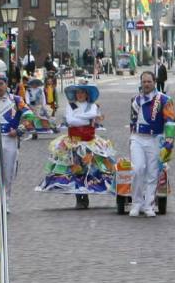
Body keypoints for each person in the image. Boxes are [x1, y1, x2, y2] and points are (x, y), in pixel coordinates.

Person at [36, 81, 116, 209]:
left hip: (89, 142)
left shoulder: (92, 106)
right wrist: (86, 119)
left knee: (90, 169)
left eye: (82, 92)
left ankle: (87, 193)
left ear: (87, 94)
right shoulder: (70, 105)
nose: (80, 94)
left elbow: (93, 115)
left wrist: (79, 117)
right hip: (73, 143)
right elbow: (70, 121)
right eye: (78, 92)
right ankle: (79, 198)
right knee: (76, 169)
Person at [127, 71, 175, 218]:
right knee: (137, 169)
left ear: (154, 82)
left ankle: (149, 205)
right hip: (137, 138)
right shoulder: (135, 100)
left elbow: (170, 121)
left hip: (155, 138)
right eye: (144, 81)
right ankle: (136, 203)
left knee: (152, 173)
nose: (146, 84)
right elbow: (132, 121)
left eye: (149, 81)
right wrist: (131, 137)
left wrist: (169, 141)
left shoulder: (164, 99)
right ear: (140, 83)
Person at [0, 73, 35, 212]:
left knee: (8, 172)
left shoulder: (16, 100)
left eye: (1, 84)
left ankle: (5, 201)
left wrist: (19, 130)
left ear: (6, 84)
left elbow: (29, 115)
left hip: (10, 140)